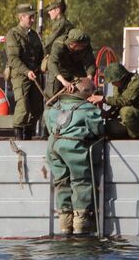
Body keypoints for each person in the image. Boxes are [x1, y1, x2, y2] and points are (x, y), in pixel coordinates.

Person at [45, 78, 104, 234]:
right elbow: (98, 129)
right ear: (88, 93)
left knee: (61, 182)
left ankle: (65, 225)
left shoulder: (55, 106)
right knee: (81, 181)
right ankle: (80, 226)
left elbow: (48, 122)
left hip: (53, 146)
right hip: (73, 147)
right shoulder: (87, 109)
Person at [87, 62, 139, 139]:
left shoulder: (138, 82)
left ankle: (137, 139)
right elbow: (117, 104)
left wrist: (103, 99)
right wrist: (107, 114)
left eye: (114, 82)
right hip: (133, 121)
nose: (113, 84)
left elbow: (126, 101)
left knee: (126, 112)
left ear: (122, 77)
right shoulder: (118, 85)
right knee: (109, 127)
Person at [5, 3, 44, 140]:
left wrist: (43, 64)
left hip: (35, 75)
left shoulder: (34, 35)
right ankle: (18, 136)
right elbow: (13, 59)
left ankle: (28, 133)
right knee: (23, 107)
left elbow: (40, 54)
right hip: (20, 75)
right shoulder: (13, 34)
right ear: (21, 17)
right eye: (30, 17)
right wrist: (27, 71)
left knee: (37, 107)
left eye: (34, 17)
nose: (33, 20)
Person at [45, 28, 95, 100]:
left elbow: (90, 63)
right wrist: (63, 81)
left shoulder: (86, 45)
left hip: (77, 71)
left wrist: (89, 78)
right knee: (53, 97)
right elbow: (52, 63)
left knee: (83, 94)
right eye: (82, 45)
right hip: (59, 72)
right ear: (74, 44)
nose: (85, 47)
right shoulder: (59, 44)